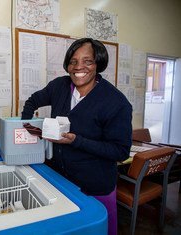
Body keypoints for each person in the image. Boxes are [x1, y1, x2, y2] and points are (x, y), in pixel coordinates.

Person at [21, 38, 132, 235]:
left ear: (98, 63)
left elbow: (120, 151)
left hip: (94, 187)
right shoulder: (59, 86)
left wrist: (76, 141)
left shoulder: (116, 102)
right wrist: (25, 125)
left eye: (87, 61)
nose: (78, 67)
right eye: (73, 61)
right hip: (58, 180)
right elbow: (32, 101)